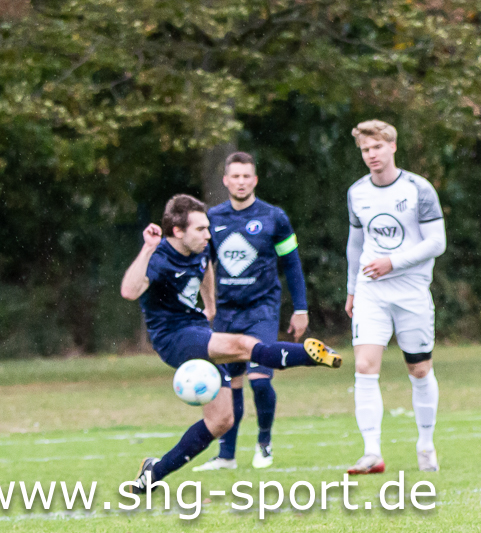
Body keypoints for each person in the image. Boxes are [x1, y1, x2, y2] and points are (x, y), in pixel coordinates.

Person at [120, 194, 342, 492]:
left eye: (208, 227)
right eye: (201, 229)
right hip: (173, 338)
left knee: (222, 420)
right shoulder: (158, 258)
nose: (208, 234)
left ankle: (152, 473)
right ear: (177, 231)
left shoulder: (199, 249)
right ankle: (309, 355)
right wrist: (147, 248)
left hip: (197, 327)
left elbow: (205, 268)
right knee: (243, 345)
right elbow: (129, 291)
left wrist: (210, 305)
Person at [192, 152, 309, 472]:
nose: (241, 182)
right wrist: (204, 305)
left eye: (247, 176)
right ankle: (227, 456)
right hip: (227, 314)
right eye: (235, 176)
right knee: (229, 384)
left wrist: (300, 308)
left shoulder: (274, 218)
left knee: (259, 379)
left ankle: (264, 443)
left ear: (255, 180)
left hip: (262, 310)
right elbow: (202, 265)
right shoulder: (212, 218)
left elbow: (292, 264)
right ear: (226, 180)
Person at [344, 120, 446, 474]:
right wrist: (351, 288)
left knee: (419, 369)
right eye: (365, 150)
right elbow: (355, 244)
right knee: (364, 366)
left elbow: (437, 242)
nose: (371, 155)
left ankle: (426, 444)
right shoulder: (357, 192)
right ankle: (372, 452)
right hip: (371, 290)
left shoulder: (419, 189)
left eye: (377, 147)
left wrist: (393, 262)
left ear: (392, 147)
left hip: (412, 290)